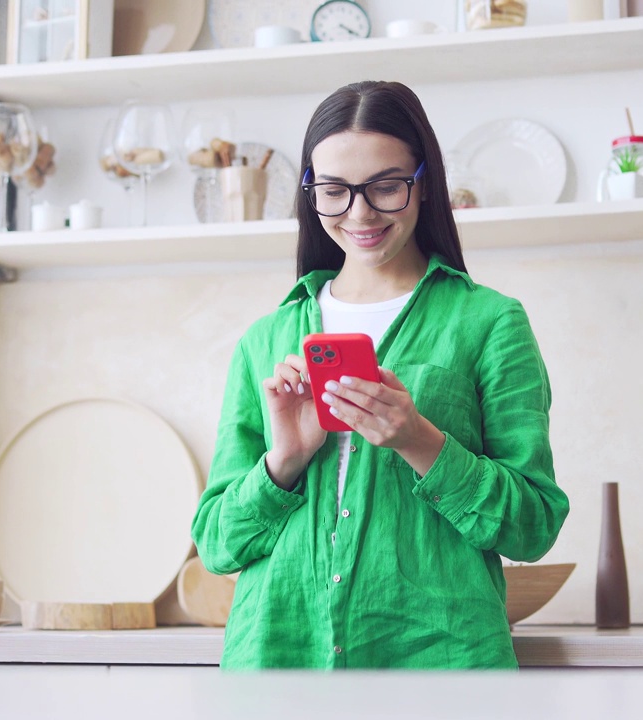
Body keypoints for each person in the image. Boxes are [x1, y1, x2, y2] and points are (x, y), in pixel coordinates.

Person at [190, 80, 569, 669]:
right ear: (310, 193)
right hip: (277, 668)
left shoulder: (491, 322)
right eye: (335, 191)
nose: (359, 213)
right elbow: (216, 543)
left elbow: (533, 525)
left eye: (385, 186)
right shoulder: (263, 340)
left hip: (440, 669)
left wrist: (420, 441)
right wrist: (283, 463)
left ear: (424, 184)